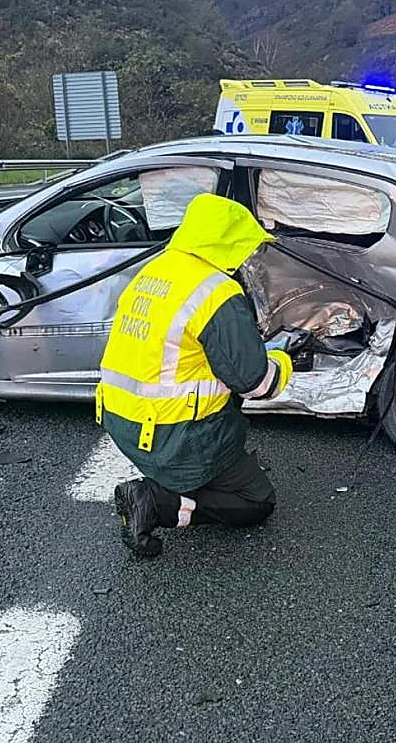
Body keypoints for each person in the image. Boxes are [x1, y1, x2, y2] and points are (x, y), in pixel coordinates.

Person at [97, 193, 294, 558]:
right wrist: (284, 360)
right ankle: (155, 501)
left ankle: (176, 477)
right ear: (228, 245)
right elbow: (254, 383)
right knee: (256, 500)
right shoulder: (215, 292)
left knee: (228, 428)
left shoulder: (156, 270)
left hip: (123, 422)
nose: (250, 258)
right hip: (172, 437)